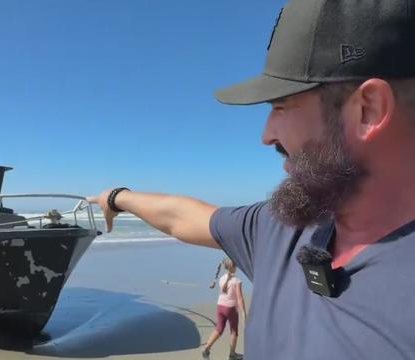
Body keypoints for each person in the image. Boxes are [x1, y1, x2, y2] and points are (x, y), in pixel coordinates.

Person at [88, 1, 415, 358]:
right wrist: (117, 197)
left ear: (368, 109)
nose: (266, 135)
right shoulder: (280, 229)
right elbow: (181, 215)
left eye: (280, 106)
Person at [202, 258, 246, 360]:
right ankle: (232, 354)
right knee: (234, 331)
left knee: (219, 329)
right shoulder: (237, 281)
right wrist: (244, 313)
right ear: (233, 267)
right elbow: (239, 298)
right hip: (230, 309)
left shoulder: (221, 278)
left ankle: (206, 348)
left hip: (220, 306)